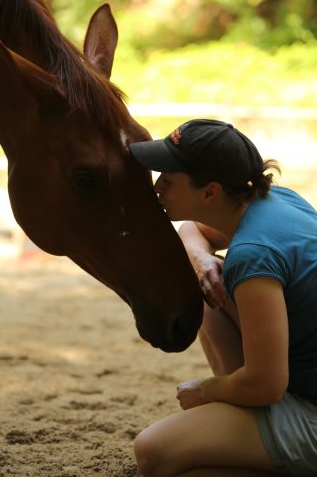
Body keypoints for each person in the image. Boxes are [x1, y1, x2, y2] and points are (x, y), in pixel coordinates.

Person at [129, 118, 317, 477]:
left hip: (309, 413)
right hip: (298, 383)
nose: (156, 188)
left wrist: (207, 391)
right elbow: (193, 231)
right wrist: (202, 261)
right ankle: (250, 425)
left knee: (154, 454)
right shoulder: (272, 200)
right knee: (205, 291)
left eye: (168, 179)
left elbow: (267, 383)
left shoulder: (252, 254)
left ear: (209, 193)